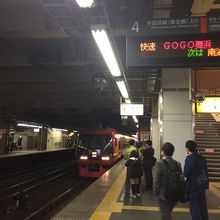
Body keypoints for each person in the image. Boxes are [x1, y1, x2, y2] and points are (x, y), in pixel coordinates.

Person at [153, 142, 181, 220]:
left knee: (165, 215)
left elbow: (156, 180)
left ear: (162, 152)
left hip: (164, 195)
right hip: (175, 194)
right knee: (167, 213)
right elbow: (181, 179)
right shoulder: (177, 164)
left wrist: (157, 192)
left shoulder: (160, 163)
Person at [184, 140, 209, 220]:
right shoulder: (202, 158)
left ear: (187, 149)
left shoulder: (189, 159)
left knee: (195, 208)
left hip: (193, 186)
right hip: (201, 185)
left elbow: (186, 173)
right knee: (203, 207)